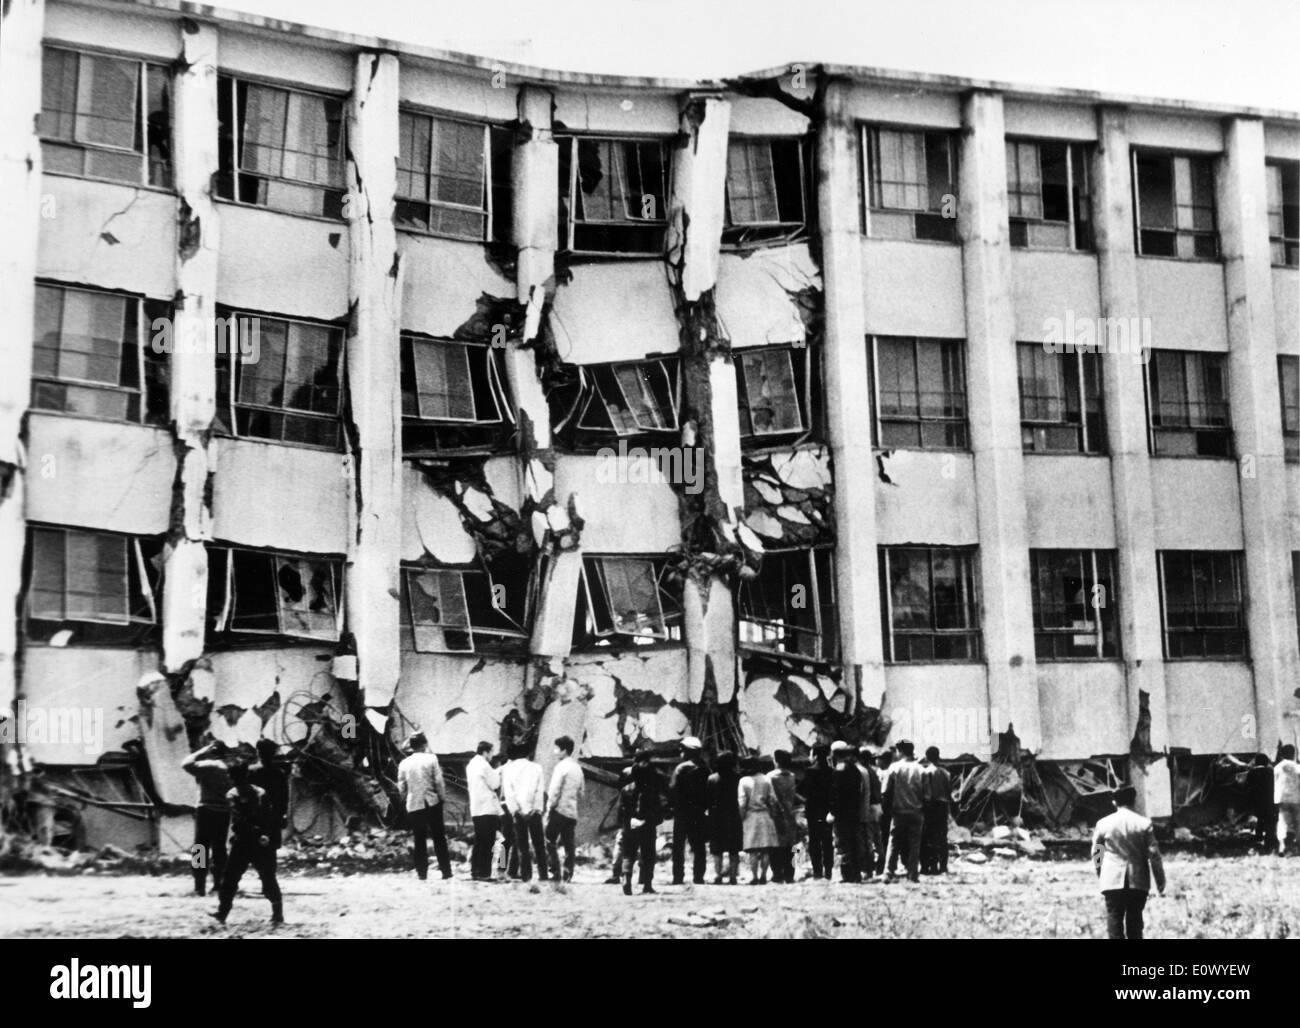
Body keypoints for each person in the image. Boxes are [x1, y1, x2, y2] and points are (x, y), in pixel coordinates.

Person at [212, 763, 283, 925]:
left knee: (264, 878)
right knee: (235, 878)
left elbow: (254, 817)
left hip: (249, 840)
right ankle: (222, 911)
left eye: (232, 776)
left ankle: (277, 914)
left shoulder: (238, 794)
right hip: (250, 839)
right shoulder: (254, 792)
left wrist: (263, 833)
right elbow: (258, 816)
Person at [1091, 785, 1165, 939]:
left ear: (1114, 802)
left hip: (1111, 879)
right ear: (1134, 800)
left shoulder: (1103, 824)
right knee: (1135, 920)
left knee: (1114, 917)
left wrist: (1100, 872)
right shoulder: (1144, 823)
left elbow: (1097, 853)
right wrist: (1160, 880)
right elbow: (1154, 854)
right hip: (1137, 880)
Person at [397, 731, 452, 881]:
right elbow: (439, 782)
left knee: (419, 839)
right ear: (424, 744)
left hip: (414, 804)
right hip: (431, 802)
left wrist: (405, 800)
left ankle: (422, 873)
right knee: (439, 837)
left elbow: (401, 787)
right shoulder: (431, 759)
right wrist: (442, 797)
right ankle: (446, 871)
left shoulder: (404, 763)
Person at [181, 738, 232, 896]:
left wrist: (203, 750)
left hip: (206, 809)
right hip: (224, 810)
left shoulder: (210, 766)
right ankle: (218, 884)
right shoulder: (229, 768)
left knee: (200, 848)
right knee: (219, 849)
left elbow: (186, 763)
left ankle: (199, 885)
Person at [501, 744, 548, 882]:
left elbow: (508, 793)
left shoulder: (507, 768)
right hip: (533, 810)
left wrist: (516, 810)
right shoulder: (536, 768)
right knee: (539, 844)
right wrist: (536, 808)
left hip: (512, 809)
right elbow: (540, 791)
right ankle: (543, 874)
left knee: (515, 843)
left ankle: (518, 873)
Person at [619, 750, 663, 895]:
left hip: (630, 825)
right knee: (648, 855)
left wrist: (625, 822)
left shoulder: (626, 789)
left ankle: (626, 876)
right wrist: (655, 820)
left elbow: (621, 810)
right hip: (647, 825)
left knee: (628, 854)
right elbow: (657, 808)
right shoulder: (652, 789)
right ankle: (647, 884)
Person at [670, 736, 710, 885]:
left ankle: (678, 877)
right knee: (699, 846)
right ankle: (698, 876)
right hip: (699, 812)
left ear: (687, 752)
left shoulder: (681, 768)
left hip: (682, 812)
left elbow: (673, 789)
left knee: (678, 846)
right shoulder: (705, 768)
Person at [885, 740, 926, 883]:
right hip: (916, 811)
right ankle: (912, 873)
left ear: (900, 751)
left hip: (898, 812)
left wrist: (888, 809)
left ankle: (889, 872)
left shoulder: (894, 768)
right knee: (915, 844)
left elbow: (886, 791)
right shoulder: (921, 770)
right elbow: (926, 794)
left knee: (894, 842)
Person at [546, 735, 584, 883]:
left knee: (549, 840)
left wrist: (550, 807)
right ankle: (568, 873)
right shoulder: (578, 768)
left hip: (559, 810)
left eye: (557, 749)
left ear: (564, 750)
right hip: (572, 811)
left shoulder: (560, 767)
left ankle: (554, 872)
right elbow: (582, 792)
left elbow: (554, 790)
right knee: (569, 844)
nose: (555, 752)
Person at [827, 741, 863, 883]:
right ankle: (856, 873)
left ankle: (846, 874)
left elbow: (836, 795)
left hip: (842, 814)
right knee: (854, 843)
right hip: (854, 812)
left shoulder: (839, 770)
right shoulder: (854, 769)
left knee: (842, 844)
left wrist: (833, 812)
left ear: (834, 754)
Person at [738, 760, 779, 884]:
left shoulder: (744, 781)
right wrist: (773, 813)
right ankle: (764, 876)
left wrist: (742, 816)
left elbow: (742, 802)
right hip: (765, 815)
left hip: (750, 816)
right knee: (765, 849)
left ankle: (755, 876)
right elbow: (772, 799)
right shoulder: (766, 779)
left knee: (753, 850)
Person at [466, 740, 501, 881]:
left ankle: (475, 870)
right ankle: (485, 873)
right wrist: (497, 774)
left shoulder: (470, 765)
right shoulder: (485, 765)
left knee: (479, 840)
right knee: (488, 841)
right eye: (491, 752)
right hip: (487, 807)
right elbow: (495, 783)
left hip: (476, 807)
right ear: (485, 752)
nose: (492, 755)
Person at [706, 751, 743, 884]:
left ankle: (718, 875)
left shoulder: (712, 779)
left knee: (717, 849)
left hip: (716, 817)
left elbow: (708, 799)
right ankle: (733, 876)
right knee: (734, 849)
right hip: (733, 815)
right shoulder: (738, 778)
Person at [800, 744, 834, 880]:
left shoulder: (809, 771)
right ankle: (829, 872)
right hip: (827, 811)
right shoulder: (832, 771)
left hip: (813, 811)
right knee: (827, 842)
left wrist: (804, 800)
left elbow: (801, 790)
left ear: (814, 755)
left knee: (814, 842)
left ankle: (817, 872)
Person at [251, 738, 289, 851]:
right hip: (274, 814)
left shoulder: (252, 771)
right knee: (271, 849)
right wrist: (283, 814)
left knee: (255, 847)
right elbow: (284, 798)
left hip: (256, 814)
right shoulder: (279, 773)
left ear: (258, 752)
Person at [767, 750, 799, 884]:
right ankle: (790, 874)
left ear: (776, 761)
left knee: (775, 846)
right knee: (791, 846)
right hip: (791, 813)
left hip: (776, 815)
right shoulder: (792, 776)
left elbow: (771, 798)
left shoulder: (770, 776)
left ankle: (777, 874)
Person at [920, 746, 952, 875]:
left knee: (929, 837)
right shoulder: (946, 773)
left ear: (927, 757)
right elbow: (949, 792)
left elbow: (926, 793)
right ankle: (943, 866)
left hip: (931, 806)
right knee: (942, 837)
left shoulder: (927, 772)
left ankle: (931, 866)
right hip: (943, 807)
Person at [854, 745, 881, 880]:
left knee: (867, 840)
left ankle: (868, 868)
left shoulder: (862, 771)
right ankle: (879, 866)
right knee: (877, 840)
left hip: (868, 807)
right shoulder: (874, 771)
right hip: (877, 807)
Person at [605, 765, 633, 884]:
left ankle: (616, 875)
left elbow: (621, 810)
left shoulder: (625, 790)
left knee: (621, 846)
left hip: (627, 823)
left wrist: (619, 822)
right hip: (643, 822)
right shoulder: (645, 786)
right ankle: (644, 879)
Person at [1275, 744, 1300, 855]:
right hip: (1295, 797)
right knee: (1297, 822)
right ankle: (1298, 844)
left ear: (1282, 754)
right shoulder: (1297, 767)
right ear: (1293, 754)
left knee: (1282, 821)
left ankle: (1282, 845)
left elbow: (1275, 782)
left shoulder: (1277, 768)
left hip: (1282, 797)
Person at [875, 749, 895, 876]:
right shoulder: (879, 771)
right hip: (883, 807)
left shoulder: (888, 772)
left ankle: (881, 865)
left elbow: (884, 793)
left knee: (883, 837)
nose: (877, 760)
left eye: (879, 758)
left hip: (885, 808)